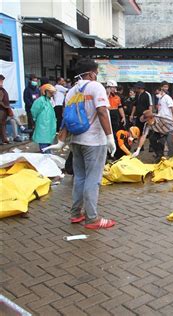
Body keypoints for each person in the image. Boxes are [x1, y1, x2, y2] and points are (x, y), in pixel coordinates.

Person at [44, 58, 117, 229]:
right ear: (92, 73)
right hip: (94, 142)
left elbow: (66, 117)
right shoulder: (96, 87)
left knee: (80, 178)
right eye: (97, 73)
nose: (97, 76)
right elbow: (102, 111)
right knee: (93, 179)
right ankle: (92, 219)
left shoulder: (71, 91)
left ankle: (76, 214)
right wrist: (110, 137)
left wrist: (61, 141)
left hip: (76, 140)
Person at [31, 84, 57, 153]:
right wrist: (35, 119)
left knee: (48, 144)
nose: (52, 94)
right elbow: (34, 111)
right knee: (44, 145)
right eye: (50, 92)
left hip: (48, 126)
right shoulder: (40, 100)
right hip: (43, 126)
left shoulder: (48, 101)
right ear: (44, 91)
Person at [156, 81, 173, 157]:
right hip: (162, 122)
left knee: (169, 141)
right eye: (164, 86)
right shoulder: (160, 98)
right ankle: (160, 155)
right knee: (161, 140)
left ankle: (172, 157)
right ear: (161, 87)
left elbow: (172, 107)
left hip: (169, 122)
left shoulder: (167, 97)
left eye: (167, 87)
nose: (166, 88)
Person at [0, 74, 11, 144]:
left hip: (4, 110)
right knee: (1, 124)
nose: (2, 82)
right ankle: (3, 139)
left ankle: (4, 139)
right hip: (1, 109)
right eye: (1, 80)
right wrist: (6, 106)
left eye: (2, 81)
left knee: (3, 124)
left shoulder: (2, 89)